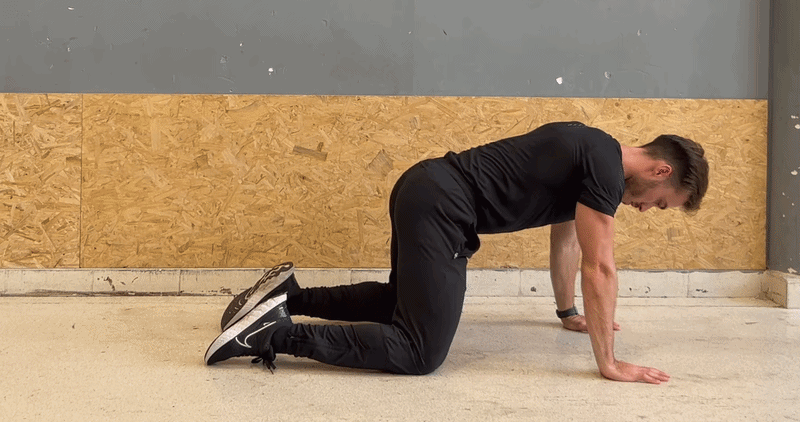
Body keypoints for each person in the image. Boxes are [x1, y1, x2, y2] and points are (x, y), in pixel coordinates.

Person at [204, 120, 709, 384]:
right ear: (661, 171)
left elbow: (570, 240)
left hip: (427, 187)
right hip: (444, 203)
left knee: (401, 303)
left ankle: (288, 298)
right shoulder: (603, 164)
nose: (645, 210)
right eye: (659, 204)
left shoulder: (592, 152)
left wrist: (567, 311)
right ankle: (271, 335)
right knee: (420, 351)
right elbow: (601, 267)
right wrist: (610, 363)